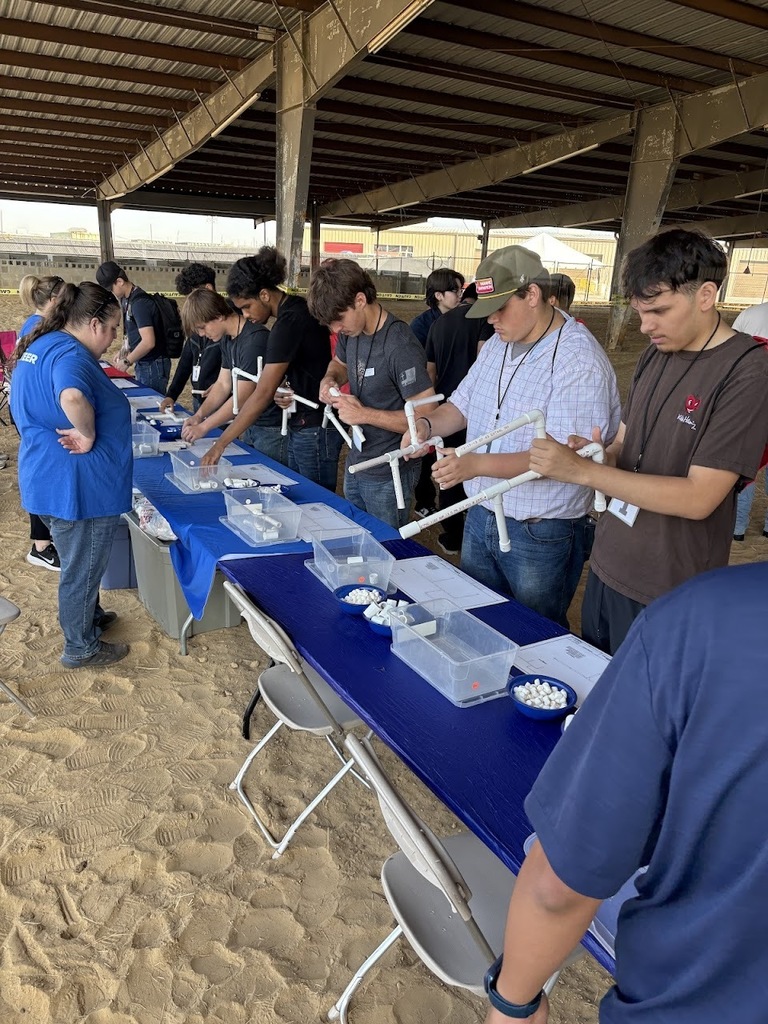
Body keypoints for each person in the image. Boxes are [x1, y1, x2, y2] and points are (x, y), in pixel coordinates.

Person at [484, 562, 768, 1024]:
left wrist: (512, 1003)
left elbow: (559, 886)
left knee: (541, 844)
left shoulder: (705, 619)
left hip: (688, 1000)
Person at [529, 228, 768, 653]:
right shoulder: (655, 354)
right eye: (640, 311)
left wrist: (585, 472)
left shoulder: (746, 372)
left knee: (645, 711)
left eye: (658, 310)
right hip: (609, 561)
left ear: (706, 295)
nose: (645, 326)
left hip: (668, 584)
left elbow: (699, 498)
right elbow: (625, 441)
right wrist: (599, 455)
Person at [404, 245, 619, 627]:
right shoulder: (498, 346)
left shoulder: (578, 360)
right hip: (483, 511)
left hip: (540, 529)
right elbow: (463, 404)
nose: (492, 322)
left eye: (500, 309)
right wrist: (426, 427)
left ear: (532, 295)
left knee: (535, 628)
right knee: (478, 619)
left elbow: (561, 458)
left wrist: (474, 465)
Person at [10, 282, 131, 669]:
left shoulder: (40, 344)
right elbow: (73, 397)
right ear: (94, 324)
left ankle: (90, 617)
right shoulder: (71, 355)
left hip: (46, 474)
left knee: (84, 560)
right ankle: (81, 647)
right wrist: (89, 433)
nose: (113, 338)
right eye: (112, 329)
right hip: (76, 488)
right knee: (81, 567)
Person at [199, 248, 341, 490]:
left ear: (264, 295)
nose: (245, 315)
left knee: (314, 497)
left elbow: (261, 393)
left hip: (315, 426)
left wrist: (221, 443)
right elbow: (303, 367)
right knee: (300, 492)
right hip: (305, 421)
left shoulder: (288, 323)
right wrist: (286, 386)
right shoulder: (294, 310)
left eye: (246, 307)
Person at [310, 259, 437, 529]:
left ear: (359, 300)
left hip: (389, 468)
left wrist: (363, 414)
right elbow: (340, 364)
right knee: (356, 536)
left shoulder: (399, 344)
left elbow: (426, 417)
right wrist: (329, 379)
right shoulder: (351, 332)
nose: (335, 330)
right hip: (358, 459)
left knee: (384, 545)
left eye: (338, 320)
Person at [423, 281, 493, 555]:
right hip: (474, 412)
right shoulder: (483, 321)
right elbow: (484, 362)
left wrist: (429, 416)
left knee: (449, 473)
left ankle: (452, 534)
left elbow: (430, 371)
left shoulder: (438, 324)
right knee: (476, 468)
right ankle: (476, 531)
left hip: (445, 408)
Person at [179, 288, 286, 462]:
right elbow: (223, 384)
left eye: (202, 327)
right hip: (251, 423)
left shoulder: (255, 341)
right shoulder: (227, 339)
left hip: (270, 427)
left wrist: (204, 427)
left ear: (219, 316)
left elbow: (243, 396)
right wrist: (199, 416)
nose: (201, 334)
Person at [17, 273, 66, 570]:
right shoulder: (38, 327)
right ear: (51, 300)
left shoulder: (34, 325)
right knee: (42, 476)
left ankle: (43, 541)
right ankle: (40, 546)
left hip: (33, 412)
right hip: (37, 414)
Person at [410, 267, 466, 518]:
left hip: (456, 400)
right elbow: (420, 371)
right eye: (454, 290)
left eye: (461, 289)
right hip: (429, 400)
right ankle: (424, 500)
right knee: (424, 451)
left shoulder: (466, 319)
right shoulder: (421, 326)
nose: (460, 294)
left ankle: (452, 504)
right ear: (439, 295)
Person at [95, 261, 171, 395]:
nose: (111, 293)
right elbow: (133, 332)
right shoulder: (127, 300)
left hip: (153, 364)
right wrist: (124, 350)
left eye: (111, 289)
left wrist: (127, 361)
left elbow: (148, 342)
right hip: (143, 361)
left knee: (151, 402)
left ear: (119, 281)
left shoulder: (140, 303)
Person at [160, 263, 222, 414]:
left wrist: (226, 387)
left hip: (221, 403)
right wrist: (171, 395)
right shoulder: (197, 322)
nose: (189, 305)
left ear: (208, 289)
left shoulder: (227, 326)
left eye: (193, 297)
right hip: (198, 399)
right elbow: (186, 361)